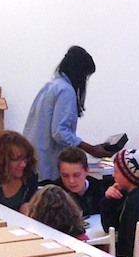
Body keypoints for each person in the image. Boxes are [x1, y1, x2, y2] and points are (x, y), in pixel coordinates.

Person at [23, 46, 115, 182]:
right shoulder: (66, 91)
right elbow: (60, 132)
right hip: (47, 165)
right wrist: (91, 149)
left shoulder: (51, 86)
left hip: (34, 158)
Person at [41, 146, 108, 216]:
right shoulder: (53, 194)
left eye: (76, 175)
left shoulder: (100, 190)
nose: (71, 181)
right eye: (65, 175)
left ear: (87, 171)